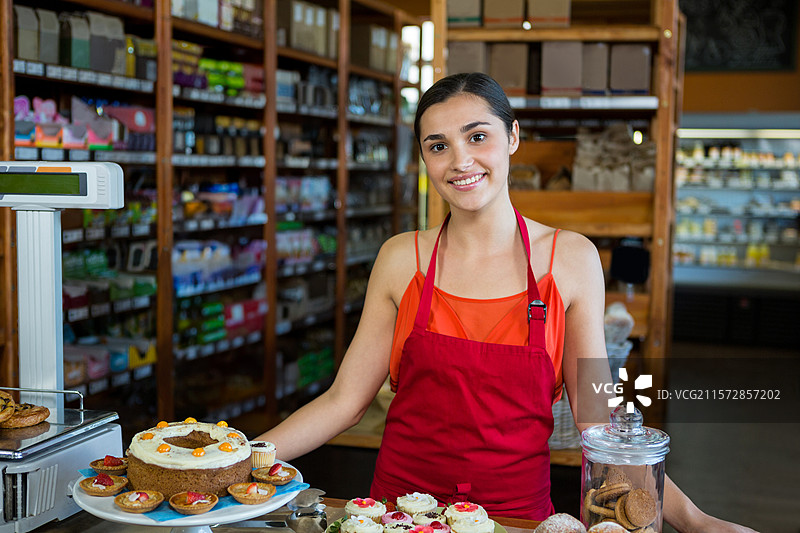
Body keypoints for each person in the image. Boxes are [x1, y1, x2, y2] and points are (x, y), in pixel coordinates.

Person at [256, 72, 755, 531]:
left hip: (516, 521)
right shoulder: (401, 258)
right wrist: (239, 457)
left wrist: (696, 521)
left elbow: (597, 421)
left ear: (512, 137)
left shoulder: (571, 260)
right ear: (425, 158)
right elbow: (344, 402)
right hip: (396, 515)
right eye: (438, 146)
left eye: (478, 136)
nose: (460, 161)